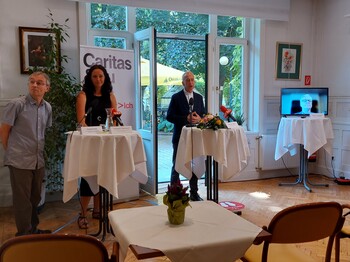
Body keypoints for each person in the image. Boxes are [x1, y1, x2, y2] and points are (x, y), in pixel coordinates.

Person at [1, 71, 52, 236]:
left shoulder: (47, 107)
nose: (35, 85)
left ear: (47, 88)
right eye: (32, 82)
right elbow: (4, 130)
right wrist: (10, 152)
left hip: (37, 160)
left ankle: (33, 229)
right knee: (22, 201)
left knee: (35, 198)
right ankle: (24, 235)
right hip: (19, 160)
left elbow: (43, 132)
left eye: (39, 82)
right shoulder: (17, 104)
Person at [75, 64, 117, 229]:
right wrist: (93, 134)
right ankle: (83, 213)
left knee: (102, 176)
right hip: (89, 143)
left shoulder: (111, 96)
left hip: (106, 143)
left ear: (105, 77)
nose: (98, 79)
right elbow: (81, 121)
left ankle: (98, 210)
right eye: (95, 76)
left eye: (101, 76)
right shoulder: (83, 95)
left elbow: (114, 120)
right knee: (88, 177)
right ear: (90, 78)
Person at [166, 71, 206, 201]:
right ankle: (174, 194)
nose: (190, 82)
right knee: (177, 165)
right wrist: (185, 118)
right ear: (183, 83)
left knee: (194, 165)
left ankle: (194, 193)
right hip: (180, 138)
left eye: (192, 80)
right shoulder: (176, 97)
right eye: (187, 80)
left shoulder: (199, 98)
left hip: (196, 139)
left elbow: (204, 115)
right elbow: (169, 116)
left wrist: (200, 119)